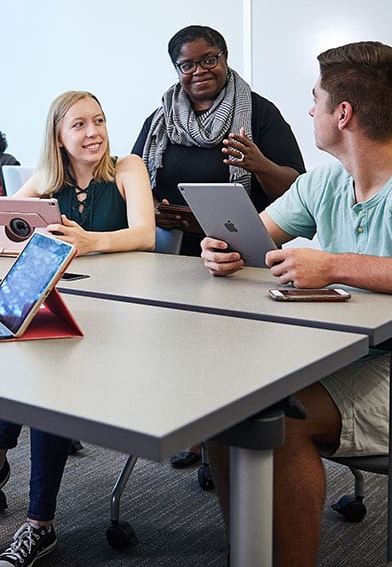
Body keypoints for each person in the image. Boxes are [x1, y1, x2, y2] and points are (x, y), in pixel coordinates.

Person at [200, 41, 392, 567]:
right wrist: (226, 248)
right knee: (225, 409)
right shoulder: (325, 182)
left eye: (315, 99)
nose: (309, 110)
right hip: (373, 359)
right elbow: (258, 238)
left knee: (282, 422)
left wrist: (337, 264)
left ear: (341, 114)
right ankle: (250, 556)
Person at [0, 90, 155, 567]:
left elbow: (145, 235)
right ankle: (35, 521)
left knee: (44, 365)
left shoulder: (128, 167)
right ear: (58, 136)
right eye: (79, 125)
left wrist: (93, 242)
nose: (93, 133)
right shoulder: (48, 181)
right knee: (38, 358)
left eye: (100, 121)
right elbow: (0, 220)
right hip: (70, 317)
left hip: (125, 318)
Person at [132, 24, 305, 468]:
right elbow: (132, 175)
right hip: (175, 252)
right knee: (182, 351)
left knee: (235, 355)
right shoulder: (161, 117)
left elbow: (297, 186)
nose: (199, 71)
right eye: (186, 64)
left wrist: (257, 162)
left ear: (224, 58)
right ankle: (195, 435)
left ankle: (226, 445)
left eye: (208, 59)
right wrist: (155, 206)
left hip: (242, 256)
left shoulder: (259, 113)